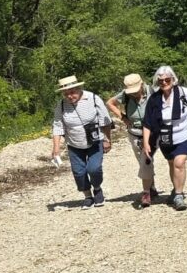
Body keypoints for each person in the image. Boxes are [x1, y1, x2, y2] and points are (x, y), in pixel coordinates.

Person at [141, 65, 187, 211]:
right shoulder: (154, 99)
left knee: (179, 162)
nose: (164, 83)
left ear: (173, 79)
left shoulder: (185, 93)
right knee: (172, 163)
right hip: (165, 136)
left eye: (167, 80)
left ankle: (178, 195)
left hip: (185, 132)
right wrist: (146, 143)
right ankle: (176, 188)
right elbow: (147, 123)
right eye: (161, 81)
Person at [51, 74, 114, 207]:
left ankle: (97, 188)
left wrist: (107, 139)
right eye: (66, 94)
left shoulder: (93, 98)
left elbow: (105, 121)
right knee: (79, 172)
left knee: (94, 169)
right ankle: (87, 196)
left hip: (95, 141)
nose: (69, 96)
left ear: (79, 89)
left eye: (72, 92)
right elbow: (57, 126)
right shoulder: (61, 105)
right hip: (74, 144)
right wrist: (56, 149)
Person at [107, 72, 159, 206]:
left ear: (142, 84)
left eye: (136, 91)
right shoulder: (125, 95)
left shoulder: (153, 91)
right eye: (131, 91)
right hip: (135, 132)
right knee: (143, 161)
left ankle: (147, 192)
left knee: (147, 159)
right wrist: (123, 117)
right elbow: (110, 103)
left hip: (153, 132)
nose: (134, 94)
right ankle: (151, 188)